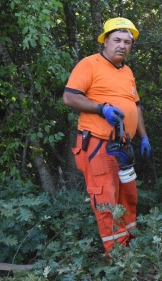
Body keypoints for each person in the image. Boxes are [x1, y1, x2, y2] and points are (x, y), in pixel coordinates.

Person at [63, 17, 151, 255]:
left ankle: (131, 245)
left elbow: (136, 106)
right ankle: (117, 257)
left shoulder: (128, 71)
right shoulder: (89, 64)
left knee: (128, 195)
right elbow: (70, 97)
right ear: (105, 41)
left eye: (127, 42)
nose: (122, 45)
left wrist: (143, 136)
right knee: (106, 200)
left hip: (123, 147)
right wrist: (101, 108)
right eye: (117, 40)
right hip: (97, 145)